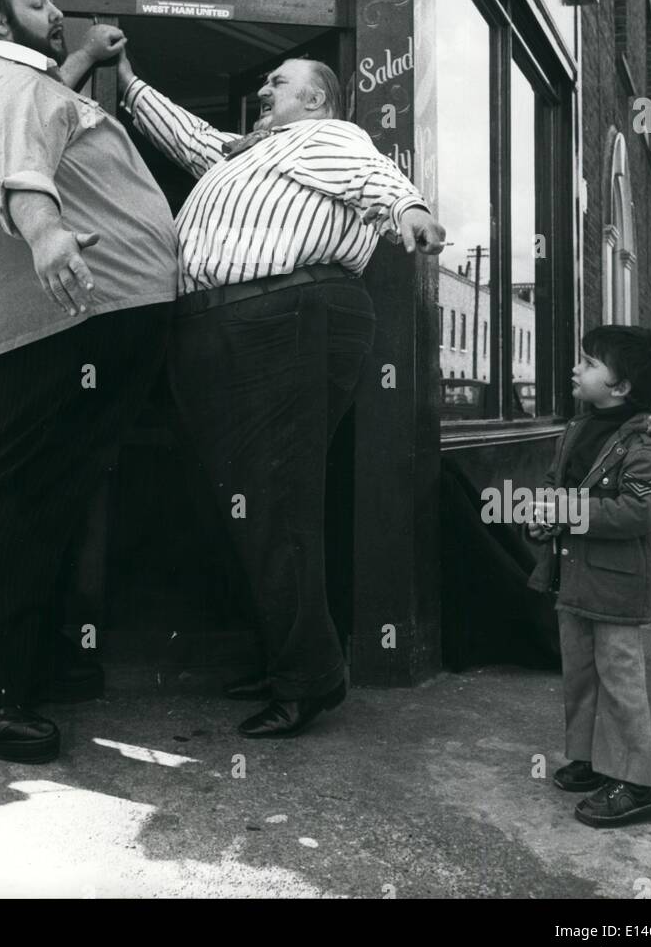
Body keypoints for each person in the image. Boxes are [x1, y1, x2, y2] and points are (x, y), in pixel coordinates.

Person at [112, 49, 446, 738]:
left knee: (272, 500)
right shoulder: (247, 151)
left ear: (316, 101)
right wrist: (124, 80)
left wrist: (410, 209)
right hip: (226, 321)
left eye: (280, 81)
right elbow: (188, 135)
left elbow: (371, 174)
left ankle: (309, 678)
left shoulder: (324, 136)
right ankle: (284, 658)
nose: (264, 86)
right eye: (263, 78)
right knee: (238, 504)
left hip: (285, 316)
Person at [0, 0, 178, 763]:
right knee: (20, 503)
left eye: (54, 1)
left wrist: (86, 58)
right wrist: (48, 233)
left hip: (76, 326)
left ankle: (22, 664)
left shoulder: (25, 80)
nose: (54, 12)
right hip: (55, 327)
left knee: (48, 502)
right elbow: (20, 163)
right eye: (36, 2)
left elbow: (39, 117)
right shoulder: (3, 82)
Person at [527, 325, 651, 827]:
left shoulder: (647, 444)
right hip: (571, 578)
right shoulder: (577, 428)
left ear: (622, 387)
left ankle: (636, 785)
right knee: (581, 675)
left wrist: (566, 511)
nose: (577, 367)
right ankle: (593, 761)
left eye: (589, 362)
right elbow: (555, 485)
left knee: (619, 680)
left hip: (616, 584)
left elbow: (638, 512)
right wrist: (542, 514)